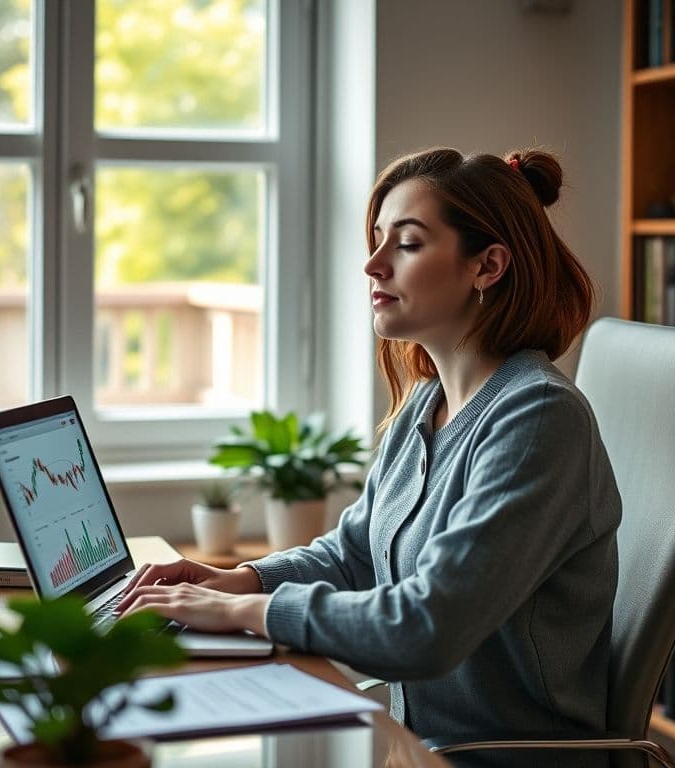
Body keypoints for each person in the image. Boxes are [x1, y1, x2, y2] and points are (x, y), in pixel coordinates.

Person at [117, 146, 622, 768]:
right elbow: (355, 553)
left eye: (406, 244)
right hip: (413, 749)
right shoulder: (427, 405)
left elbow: (426, 628)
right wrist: (242, 580)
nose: (372, 264)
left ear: (487, 265)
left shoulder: (538, 419)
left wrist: (244, 612)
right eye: (378, 239)